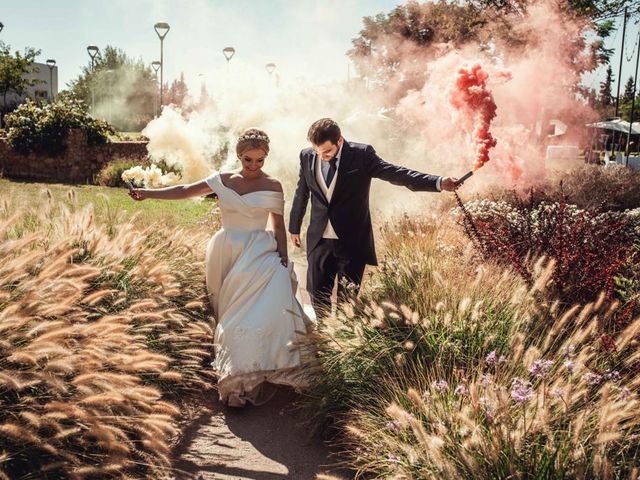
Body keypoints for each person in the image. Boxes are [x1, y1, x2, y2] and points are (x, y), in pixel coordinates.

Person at [129, 128, 311, 407]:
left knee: (262, 311)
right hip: (226, 250)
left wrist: (283, 258)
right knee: (228, 313)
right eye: (248, 159)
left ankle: (251, 375)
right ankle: (236, 370)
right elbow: (185, 190)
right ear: (239, 156)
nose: (253, 166)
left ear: (266, 157)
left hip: (261, 253)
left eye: (260, 160)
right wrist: (147, 193)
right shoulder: (223, 180)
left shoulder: (273, 185)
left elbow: (277, 225)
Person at [289, 118, 458, 318]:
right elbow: (302, 193)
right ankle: (321, 343)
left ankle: (342, 345)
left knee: (348, 304)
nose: (322, 157)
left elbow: (396, 173)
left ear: (340, 140)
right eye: (317, 152)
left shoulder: (361, 155)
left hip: (352, 241)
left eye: (327, 152)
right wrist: (294, 227)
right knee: (317, 297)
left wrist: (437, 182)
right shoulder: (306, 156)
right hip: (319, 240)